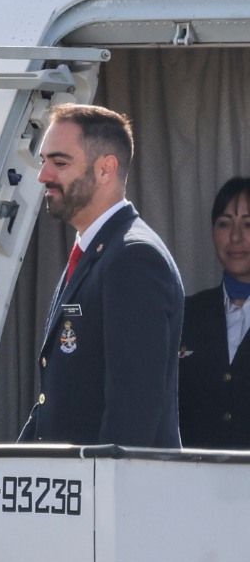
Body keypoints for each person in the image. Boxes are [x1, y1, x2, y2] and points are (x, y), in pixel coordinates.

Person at [19, 103, 183, 447]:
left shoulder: (133, 257)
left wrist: (101, 495)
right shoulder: (96, 252)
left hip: (112, 493)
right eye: (43, 161)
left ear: (106, 169)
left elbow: (133, 411)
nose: (43, 176)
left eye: (59, 163)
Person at [178, 176, 250, 449]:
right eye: (224, 223)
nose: (235, 237)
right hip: (194, 485)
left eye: (248, 224)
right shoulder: (185, 315)